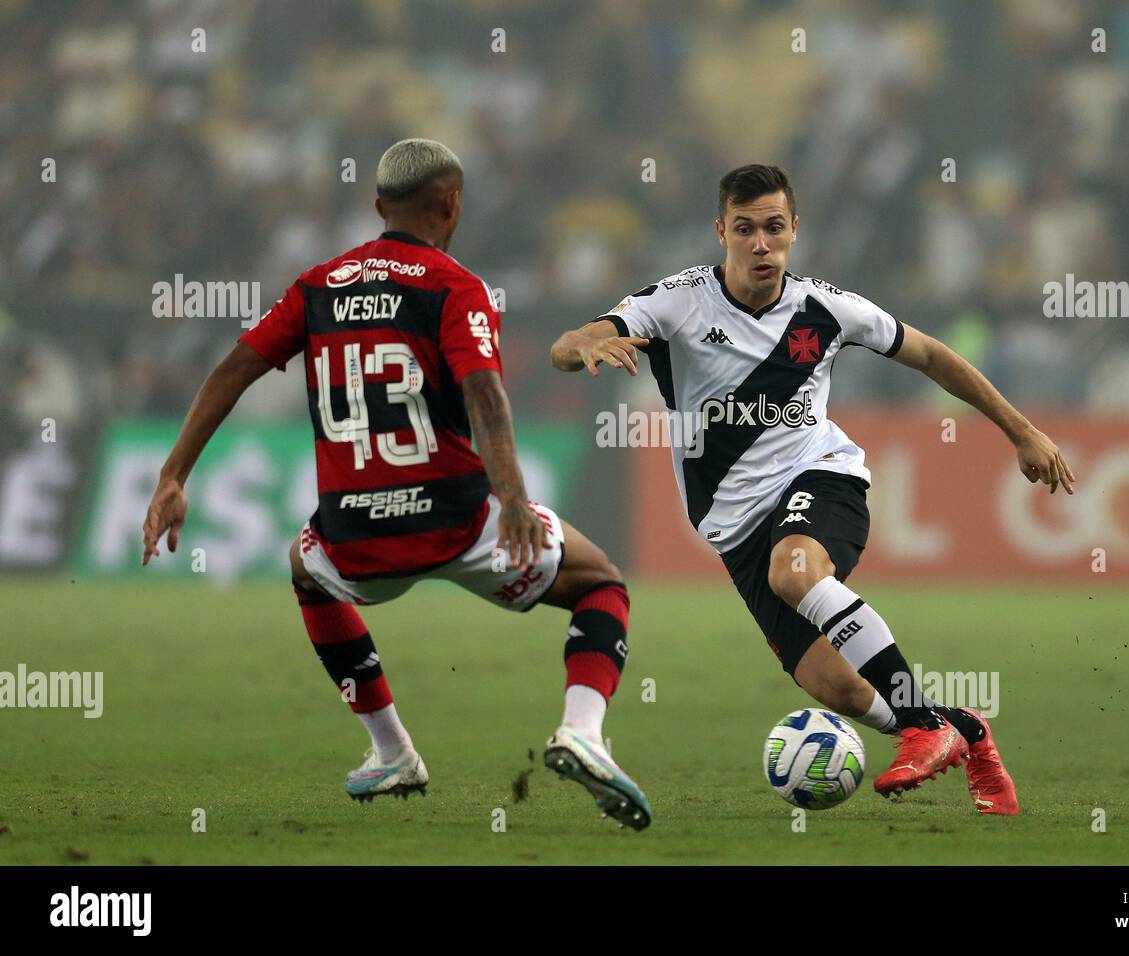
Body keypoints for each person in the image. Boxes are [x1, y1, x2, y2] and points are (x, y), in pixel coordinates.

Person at [141, 139, 650, 830]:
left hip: (353, 541)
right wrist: (511, 499)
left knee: (303, 565)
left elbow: (235, 368)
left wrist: (173, 476)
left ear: (378, 206)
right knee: (601, 583)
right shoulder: (454, 286)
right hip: (457, 522)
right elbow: (484, 394)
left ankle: (392, 751)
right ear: (453, 204)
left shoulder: (317, 286)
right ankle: (582, 732)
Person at [551, 165, 1077, 815]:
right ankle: (964, 730)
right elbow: (577, 342)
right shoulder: (677, 302)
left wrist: (1022, 432)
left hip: (820, 478)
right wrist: (582, 344)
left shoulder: (826, 309)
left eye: (774, 228)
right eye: (745, 230)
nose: (761, 244)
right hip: (733, 529)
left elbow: (933, 355)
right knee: (844, 691)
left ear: (794, 230)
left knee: (795, 570)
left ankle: (923, 728)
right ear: (722, 232)